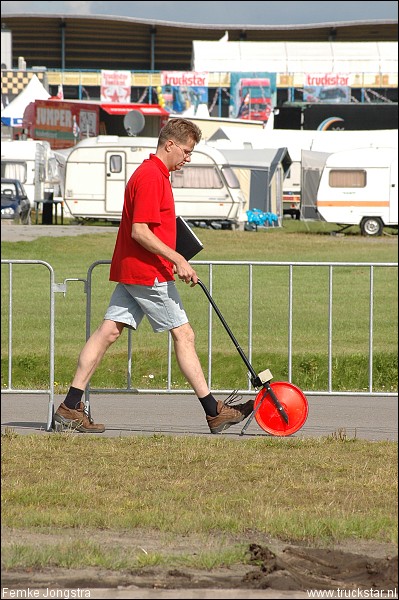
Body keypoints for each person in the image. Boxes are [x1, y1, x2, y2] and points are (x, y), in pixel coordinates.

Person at [54, 118, 254, 434]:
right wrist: (177, 259)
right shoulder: (150, 178)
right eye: (187, 151)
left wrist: (175, 252)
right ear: (169, 144)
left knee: (108, 333)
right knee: (184, 335)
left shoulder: (155, 175)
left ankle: (69, 407)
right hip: (148, 274)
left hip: (137, 270)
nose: (188, 158)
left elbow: (152, 229)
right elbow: (140, 232)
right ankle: (213, 411)